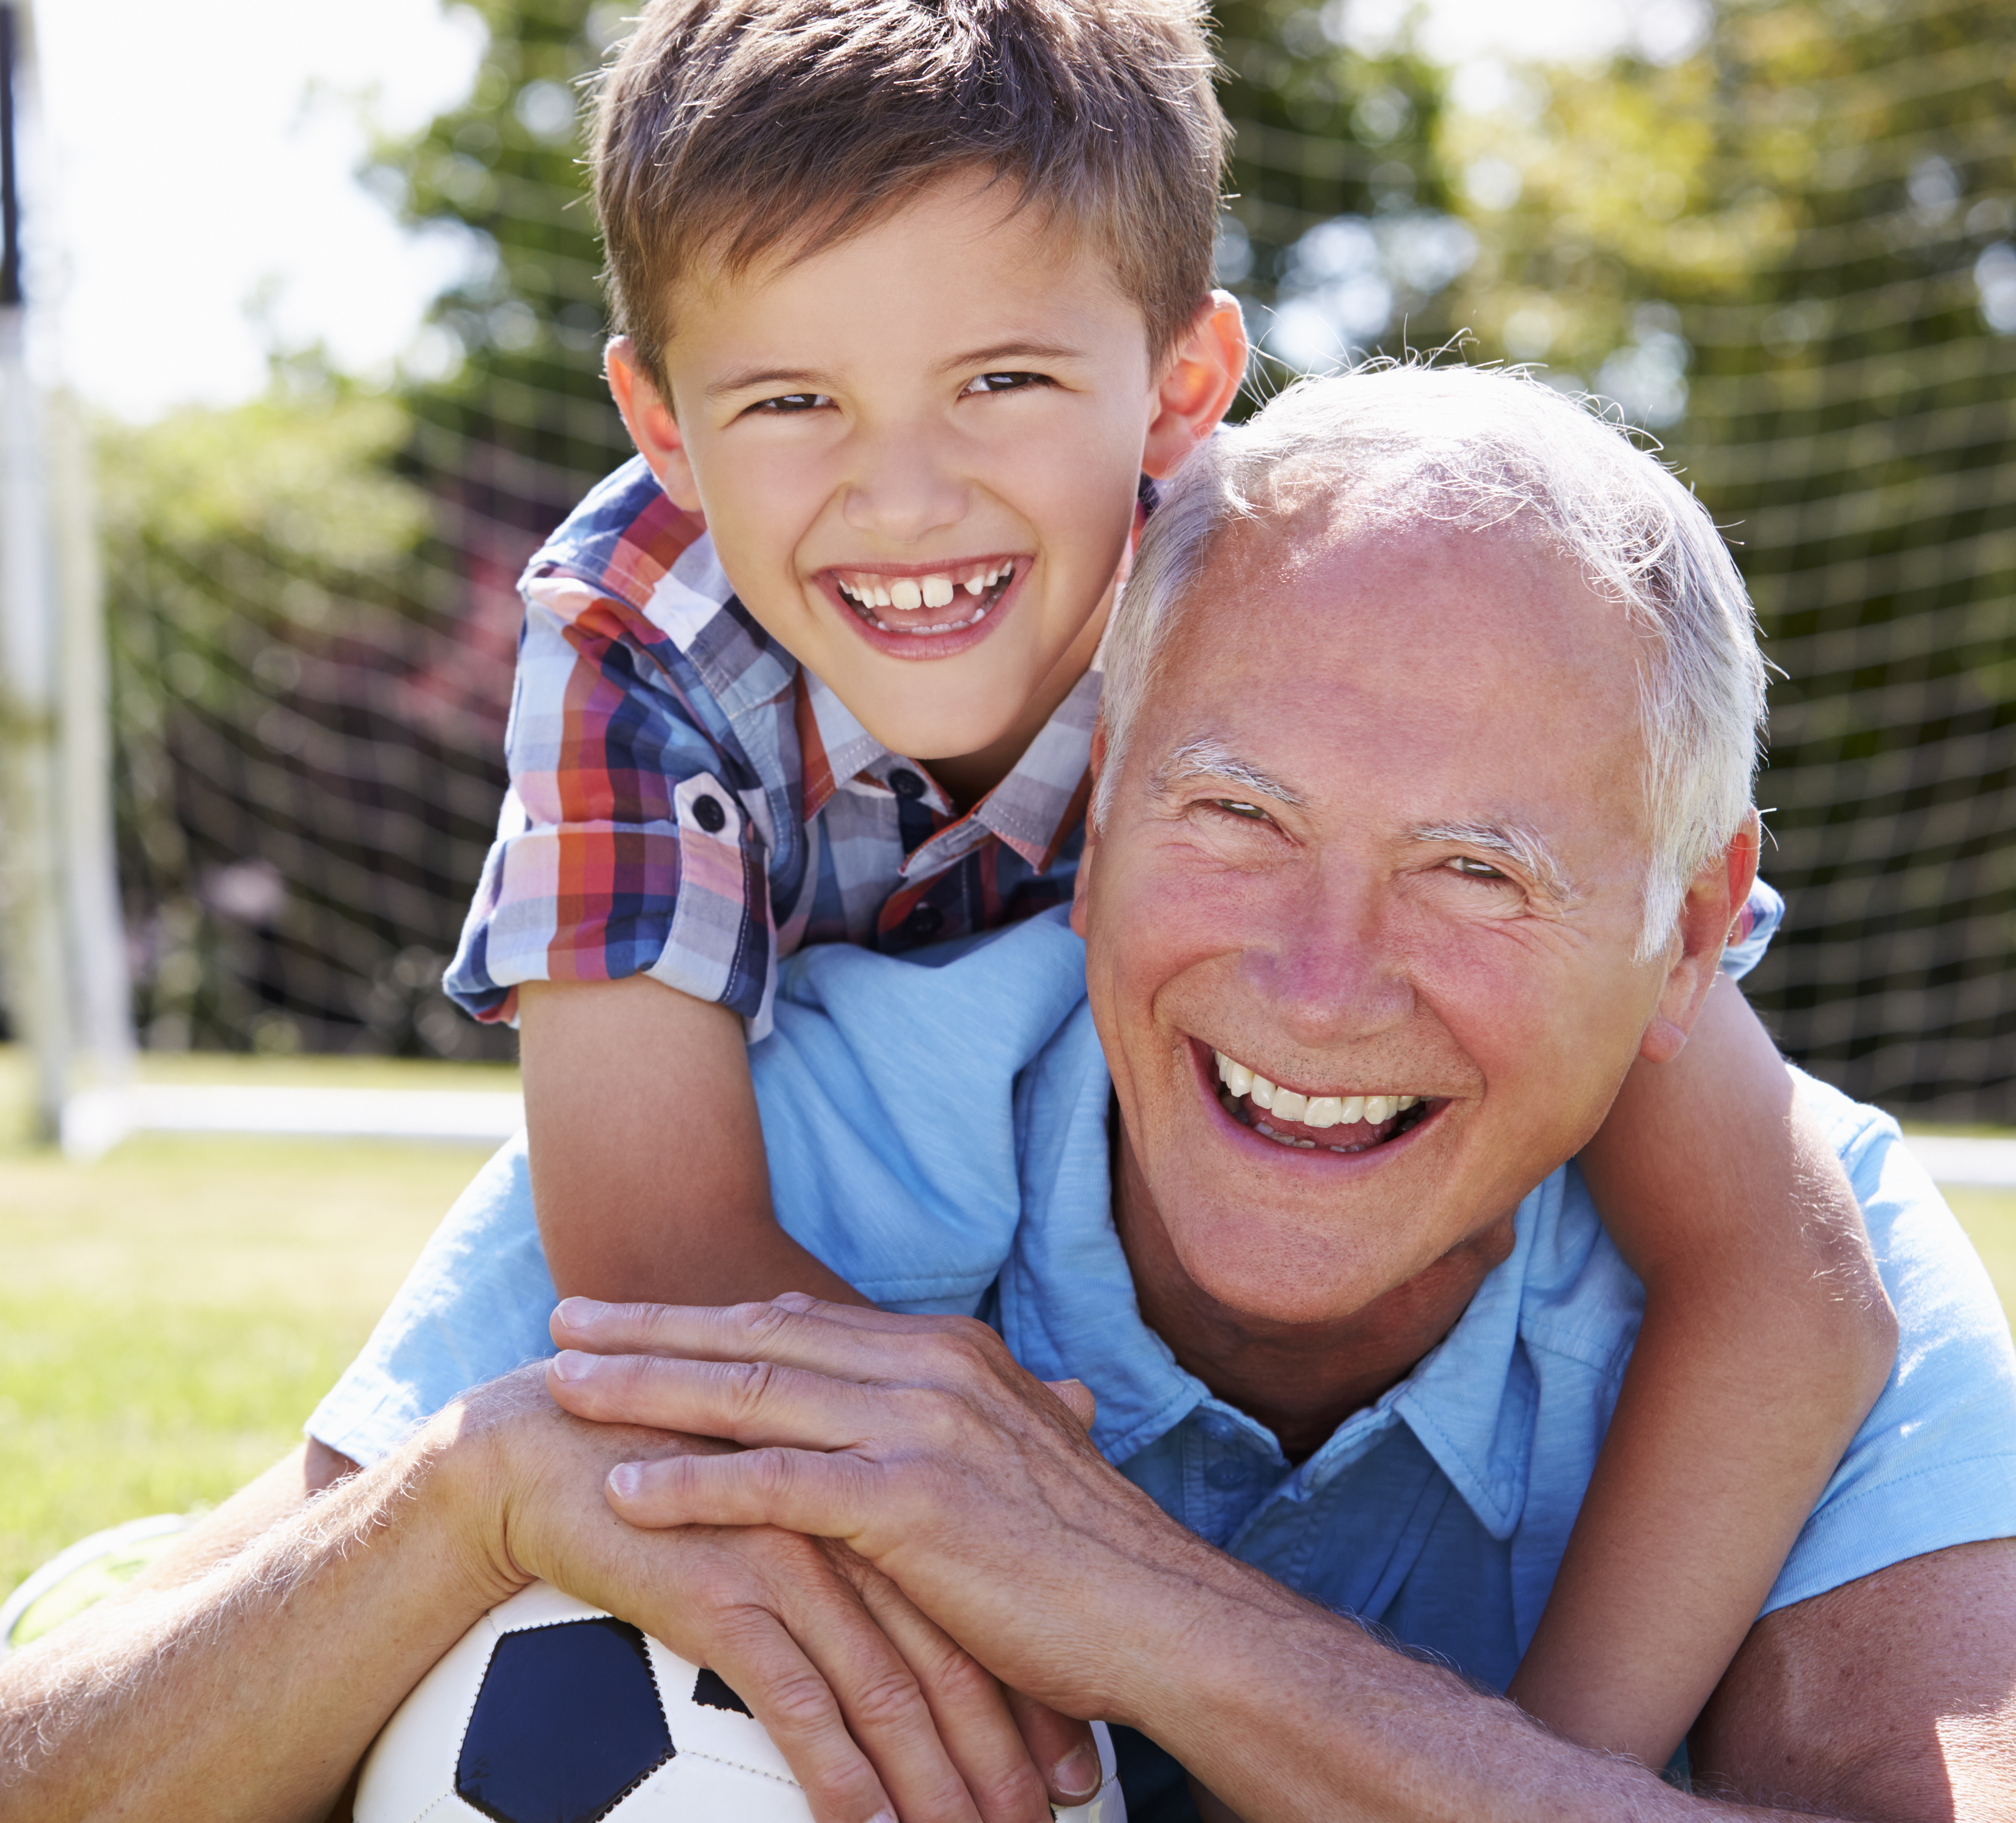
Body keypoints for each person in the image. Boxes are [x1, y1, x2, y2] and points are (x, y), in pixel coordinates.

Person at [0, 365, 2016, 1823]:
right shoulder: (798, 1128)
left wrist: (1156, 1620)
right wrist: (462, 1503)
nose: (1320, 978)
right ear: (1094, 798)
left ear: (1695, 923)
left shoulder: (1821, 1273)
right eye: (1235, 812)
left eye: (1480, 870)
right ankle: (152, 1562)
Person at [441, 0, 1883, 1760]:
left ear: (1182, 389)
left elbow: (1783, 1281)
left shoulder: (1298, 604)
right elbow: (663, 1269)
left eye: (1004, 382)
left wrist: (1523, 1776)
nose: (905, 497)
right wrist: (1038, 1516)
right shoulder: (631, 650)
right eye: (793, 398)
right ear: (660, 420)